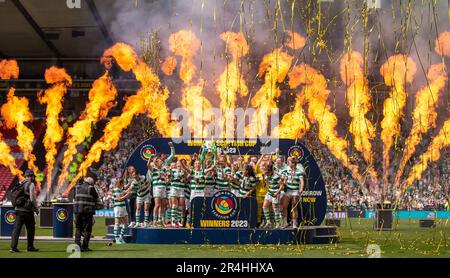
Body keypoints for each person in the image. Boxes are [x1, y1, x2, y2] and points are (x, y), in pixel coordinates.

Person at [10, 169, 39, 253]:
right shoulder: (31, 184)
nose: (33, 178)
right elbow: (32, 198)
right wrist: (36, 208)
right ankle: (30, 247)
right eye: (33, 176)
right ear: (31, 176)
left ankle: (13, 247)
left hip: (18, 210)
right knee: (31, 229)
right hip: (27, 211)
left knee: (16, 229)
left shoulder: (20, 183)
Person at [74, 176, 100, 252]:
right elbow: (97, 198)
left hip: (77, 211)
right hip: (87, 212)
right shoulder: (91, 188)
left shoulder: (77, 187)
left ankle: (77, 247)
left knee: (78, 229)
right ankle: (84, 247)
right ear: (91, 183)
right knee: (87, 230)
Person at [284, 157, 305, 228]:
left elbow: (302, 181)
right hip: (288, 191)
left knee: (294, 207)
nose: (288, 163)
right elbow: (285, 180)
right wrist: (283, 183)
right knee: (284, 206)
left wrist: (301, 189)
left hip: (295, 191)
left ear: (293, 163)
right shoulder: (287, 170)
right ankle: (285, 222)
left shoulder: (299, 171)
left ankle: (294, 223)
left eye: (289, 162)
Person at [113, 178, 132, 244]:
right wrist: (127, 195)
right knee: (117, 223)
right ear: (120, 183)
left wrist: (130, 186)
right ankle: (116, 238)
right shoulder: (116, 190)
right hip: (118, 207)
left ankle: (121, 237)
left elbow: (126, 191)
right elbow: (119, 199)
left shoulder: (120, 189)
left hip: (123, 207)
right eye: (123, 183)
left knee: (126, 223)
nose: (124, 184)